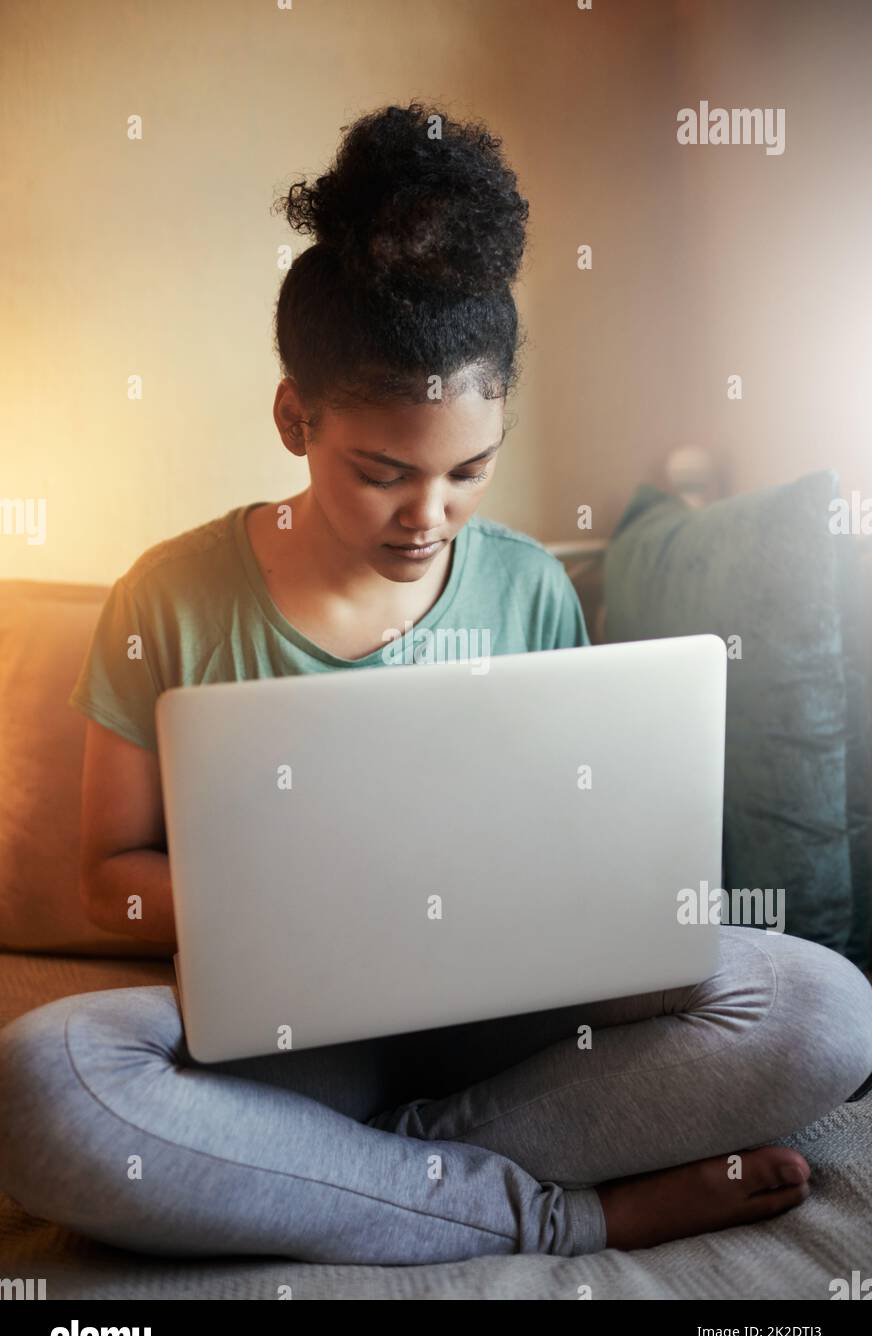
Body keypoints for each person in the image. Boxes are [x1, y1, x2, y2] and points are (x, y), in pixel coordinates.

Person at [1, 102, 871, 1268]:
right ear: (293, 419)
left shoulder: (529, 591)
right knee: (43, 1080)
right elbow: (112, 888)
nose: (428, 516)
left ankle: (325, 1171)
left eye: (469, 470)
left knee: (824, 1005)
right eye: (380, 473)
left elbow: (587, 844)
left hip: (505, 1035)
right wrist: (303, 900)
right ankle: (548, 1210)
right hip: (287, 1037)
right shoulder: (169, 596)